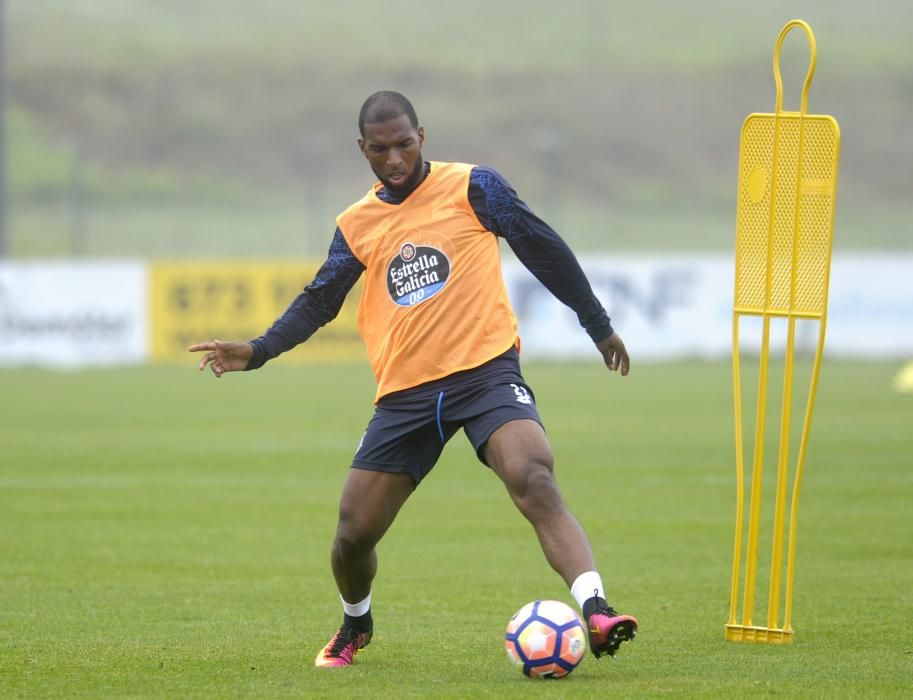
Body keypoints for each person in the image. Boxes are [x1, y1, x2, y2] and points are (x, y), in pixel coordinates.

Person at [189, 90, 637, 668]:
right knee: (353, 535)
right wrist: (257, 349)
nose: (395, 159)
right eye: (381, 150)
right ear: (363, 150)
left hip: (485, 373)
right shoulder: (357, 223)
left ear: (421, 136)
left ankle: (596, 609)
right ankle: (356, 625)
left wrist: (597, 324)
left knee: (534, 475)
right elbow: (319, 300)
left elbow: (542, 248)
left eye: (404, 144)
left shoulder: (476, 188)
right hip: (406, 395)